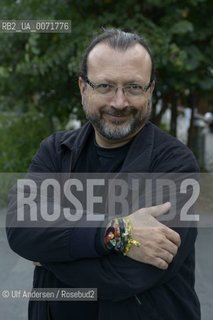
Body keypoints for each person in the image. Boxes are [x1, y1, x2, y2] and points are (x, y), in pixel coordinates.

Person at [6, 28, 200, 320]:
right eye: (105, 86)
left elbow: (129, 276)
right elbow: (20, 228)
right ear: (83, 88)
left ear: (150, 90)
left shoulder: (174, 165)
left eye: (134, 87)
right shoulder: (55, 151)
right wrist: (118, 233)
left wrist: (48, 255)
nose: (119, 102)